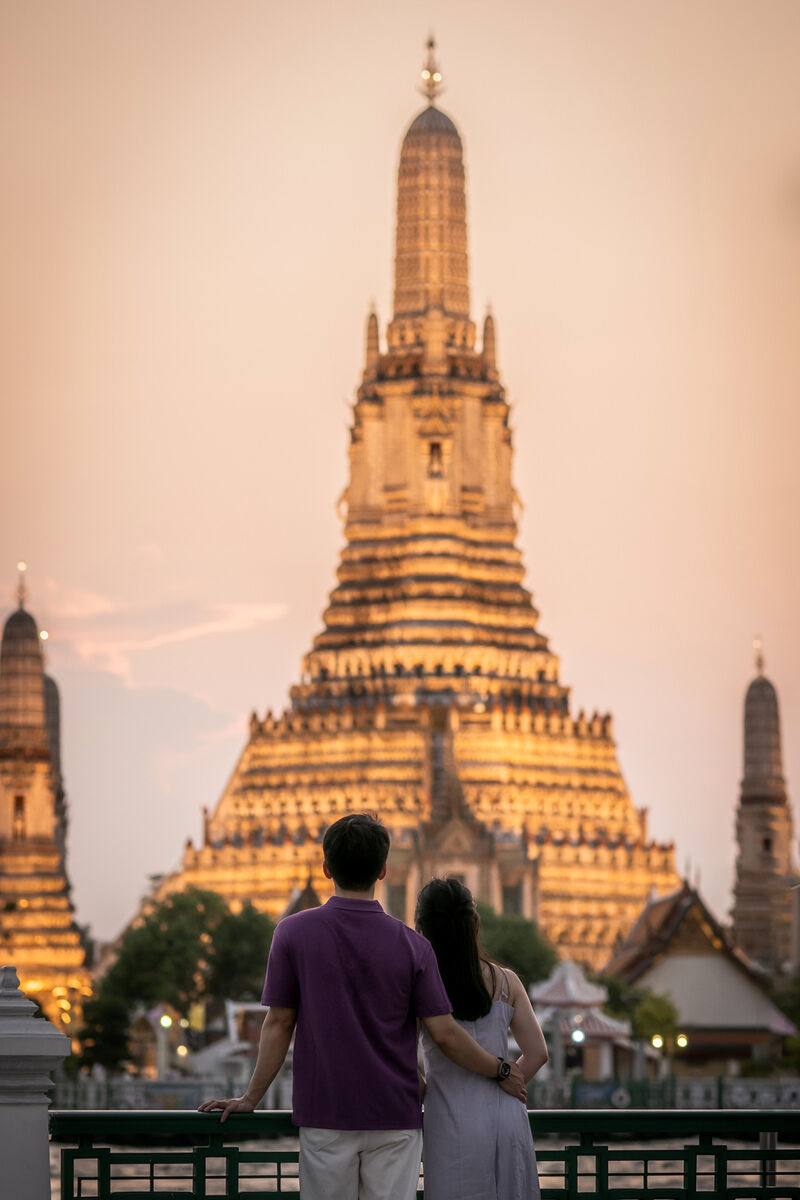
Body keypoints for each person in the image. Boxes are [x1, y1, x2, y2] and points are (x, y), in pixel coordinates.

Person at [199, 814, 526, 1200]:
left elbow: (279, 1023)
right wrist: (501, 1068)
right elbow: (444, 1032)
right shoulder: (413, 945)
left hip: (326, 1115)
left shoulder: (292, 932)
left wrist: (251, 1097)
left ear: (326, 867)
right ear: (384, 870)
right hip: (395, 1118)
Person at [415, 877, 548, 1200]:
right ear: (474, 924)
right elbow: (537, 1053)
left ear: (422, 928)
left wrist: (427, 1092)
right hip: (507, 1116)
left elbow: (406, 1065)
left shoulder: (419, 986)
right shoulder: (507, 981)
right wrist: (508, 1080)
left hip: (449, 1118)